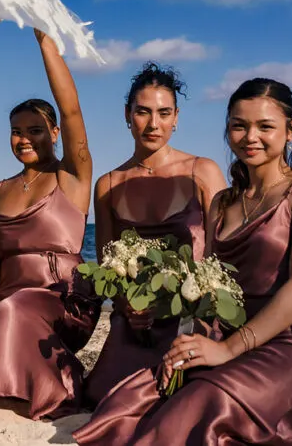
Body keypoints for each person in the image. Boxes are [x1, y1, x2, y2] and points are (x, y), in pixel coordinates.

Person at [74, 78, 292, 445]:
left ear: (290, 130)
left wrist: (228, 349)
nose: (251, 136)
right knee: (141, 397)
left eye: (265, 126)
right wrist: (191, 339)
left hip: (289, 346)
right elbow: (210, 285)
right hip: (225, 334)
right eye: (239, 125)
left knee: (203, 404)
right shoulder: (224, 203)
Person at [0, 29, 100, 420]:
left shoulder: (72, 177)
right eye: (17, 131)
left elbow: (73, 111)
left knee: (11, 310)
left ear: (54, 133)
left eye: (35, 130)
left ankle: (54, 387)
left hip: (63, 303)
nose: (24, 138)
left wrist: (46, 45)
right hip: (7, 304)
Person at [83, 63, 225, 404]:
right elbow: (106, 266)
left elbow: (225, 253)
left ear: (176, 117)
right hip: (136, 322)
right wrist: (127, 306)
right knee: (105, 398)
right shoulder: (108, 184)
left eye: (164, 113)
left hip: (193, 316)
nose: (154, 123)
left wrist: (199, 308)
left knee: (193, 396)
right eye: (143, 112)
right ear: (127, 114)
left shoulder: (201, 171)